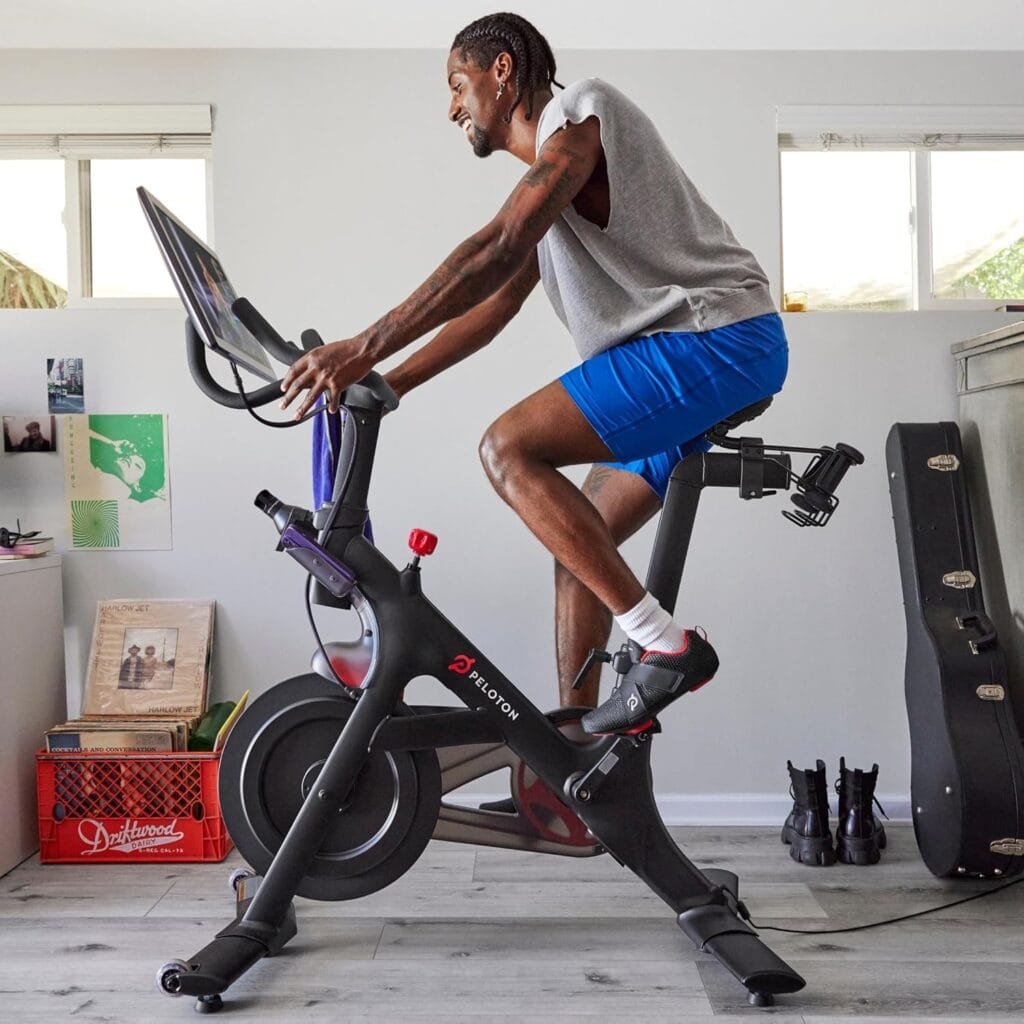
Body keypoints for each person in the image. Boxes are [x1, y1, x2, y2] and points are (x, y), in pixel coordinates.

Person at [280, 12, 788, 734]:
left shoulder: (581, 113)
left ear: (502, 72)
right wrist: (389, 383)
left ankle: (668, 646)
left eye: (457, 85)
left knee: (506, 447)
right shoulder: (550, 195)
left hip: (716, 337)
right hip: (694, 353)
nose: (451, 107)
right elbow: (493, 302)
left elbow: (496, 244)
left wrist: (364, 343)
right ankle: (577, 755)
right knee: (580, 551)